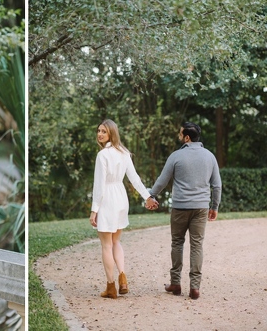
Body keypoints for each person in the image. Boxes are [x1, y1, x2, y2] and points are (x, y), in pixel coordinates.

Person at [149, 122, 221, 300]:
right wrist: (214, 207)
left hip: (180, 207)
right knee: (197, 245)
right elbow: (217, 185)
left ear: (187, 137)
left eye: (181, 133)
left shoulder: (176, 156)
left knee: (177, 243)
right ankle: (195, 287)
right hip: (201, 208)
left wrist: (150, 195)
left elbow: (162, 180)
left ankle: (175, 283)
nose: (179, 136)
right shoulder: (210, 156)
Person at [90, 119, 158, 299]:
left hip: (107, 199)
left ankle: (111, 286)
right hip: (121, 198)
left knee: (106, 244)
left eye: (104, 131)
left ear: (112, 133)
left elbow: (99, 185)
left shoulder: (103, 155)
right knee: (116, 242)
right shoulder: (124, 153)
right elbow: (135, 179)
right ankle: (123, 278)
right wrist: (147, 196)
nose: (100, 134)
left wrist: (94, 209)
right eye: (99, 131)